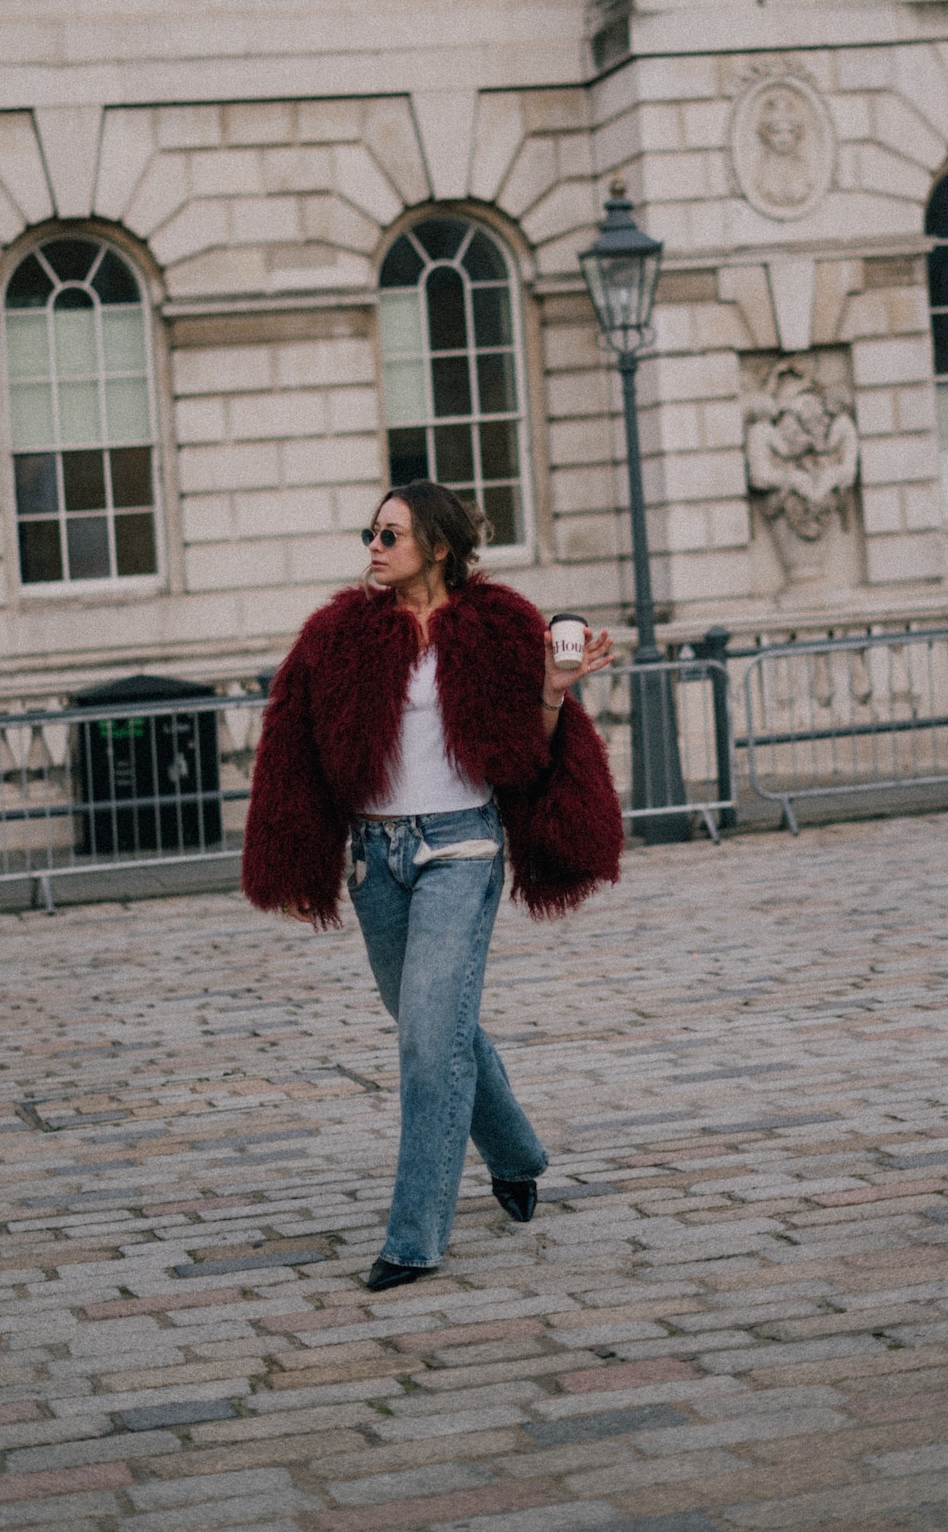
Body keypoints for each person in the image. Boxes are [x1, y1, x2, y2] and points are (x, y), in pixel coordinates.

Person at [241, 480, 624, 1291]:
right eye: (370, 534)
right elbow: (294, 745)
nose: (373, 549)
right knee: (438, 1026)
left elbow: (524, 754)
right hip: (374, 858)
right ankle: (518, 1152)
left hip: (461, 848)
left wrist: (554, 695)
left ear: (439, 547)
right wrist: (289, 854)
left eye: (391, 536)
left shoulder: (499, 624)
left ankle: (414, 1237)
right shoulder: (338, 633)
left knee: (425, 1037)